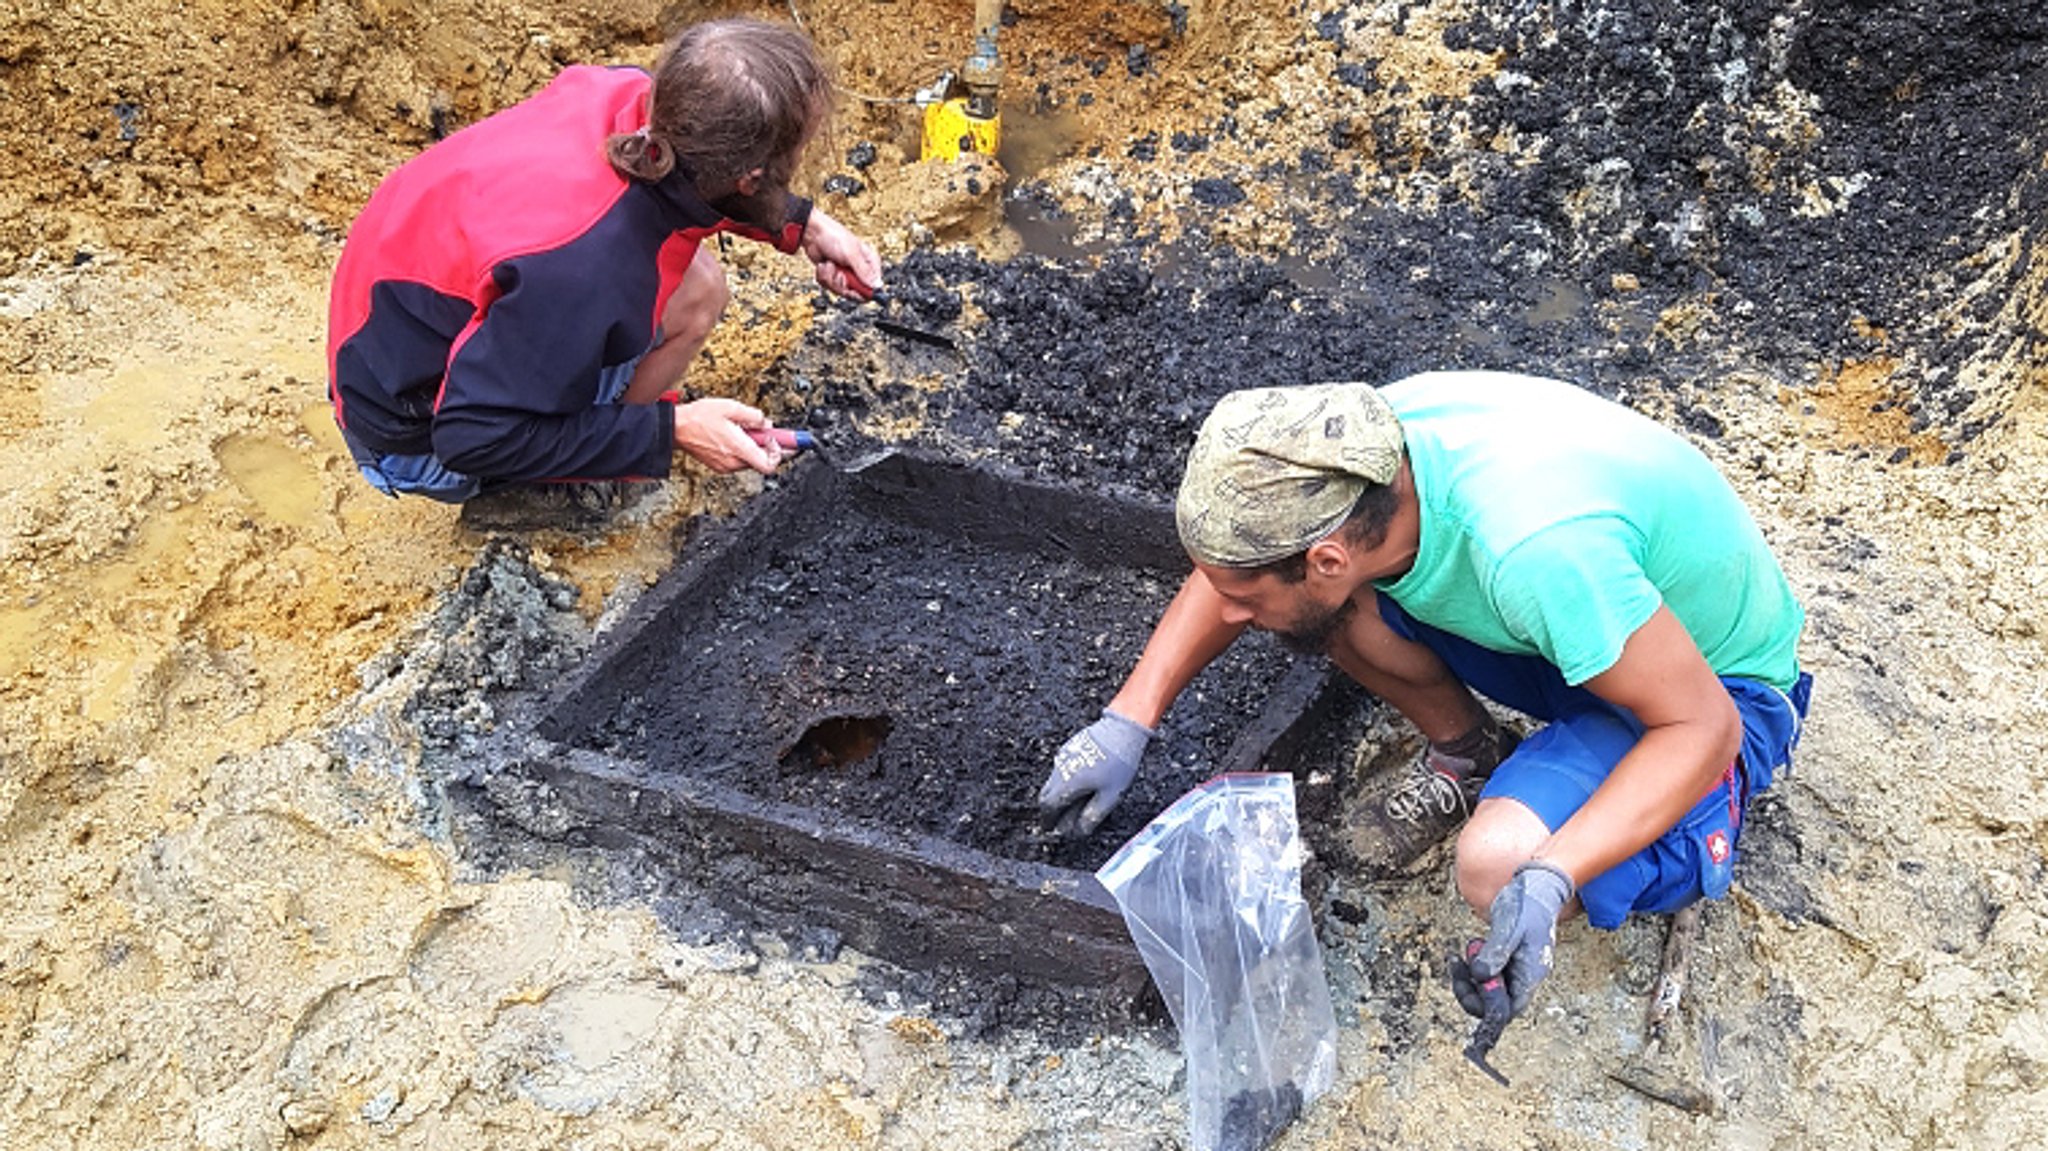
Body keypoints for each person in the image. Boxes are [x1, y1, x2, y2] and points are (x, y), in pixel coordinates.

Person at [1037, 371, 1811, 1026]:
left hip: (1708, 687)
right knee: (1320, 618)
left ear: (1327, 556)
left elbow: (1701, 721)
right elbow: (1242, 568)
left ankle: (1687, 829)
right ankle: (1472, 756)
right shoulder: (1356, 452)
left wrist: (1554, 876)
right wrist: (1127, 719)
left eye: (1239, 599)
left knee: (1498, 865)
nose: (1228, 612)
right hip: (1583, 636)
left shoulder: (1536, 552)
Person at [325, 17, 883, 519]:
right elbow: (470, 437)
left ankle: (589, 439)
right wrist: (671, 432)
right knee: (682, 303)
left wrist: (806, 226)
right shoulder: (579, 269)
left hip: (394, 324)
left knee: (700, 286)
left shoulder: (628, 98)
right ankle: (557, 488)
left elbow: (691, 187)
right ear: (749, 177)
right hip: (407, 430)